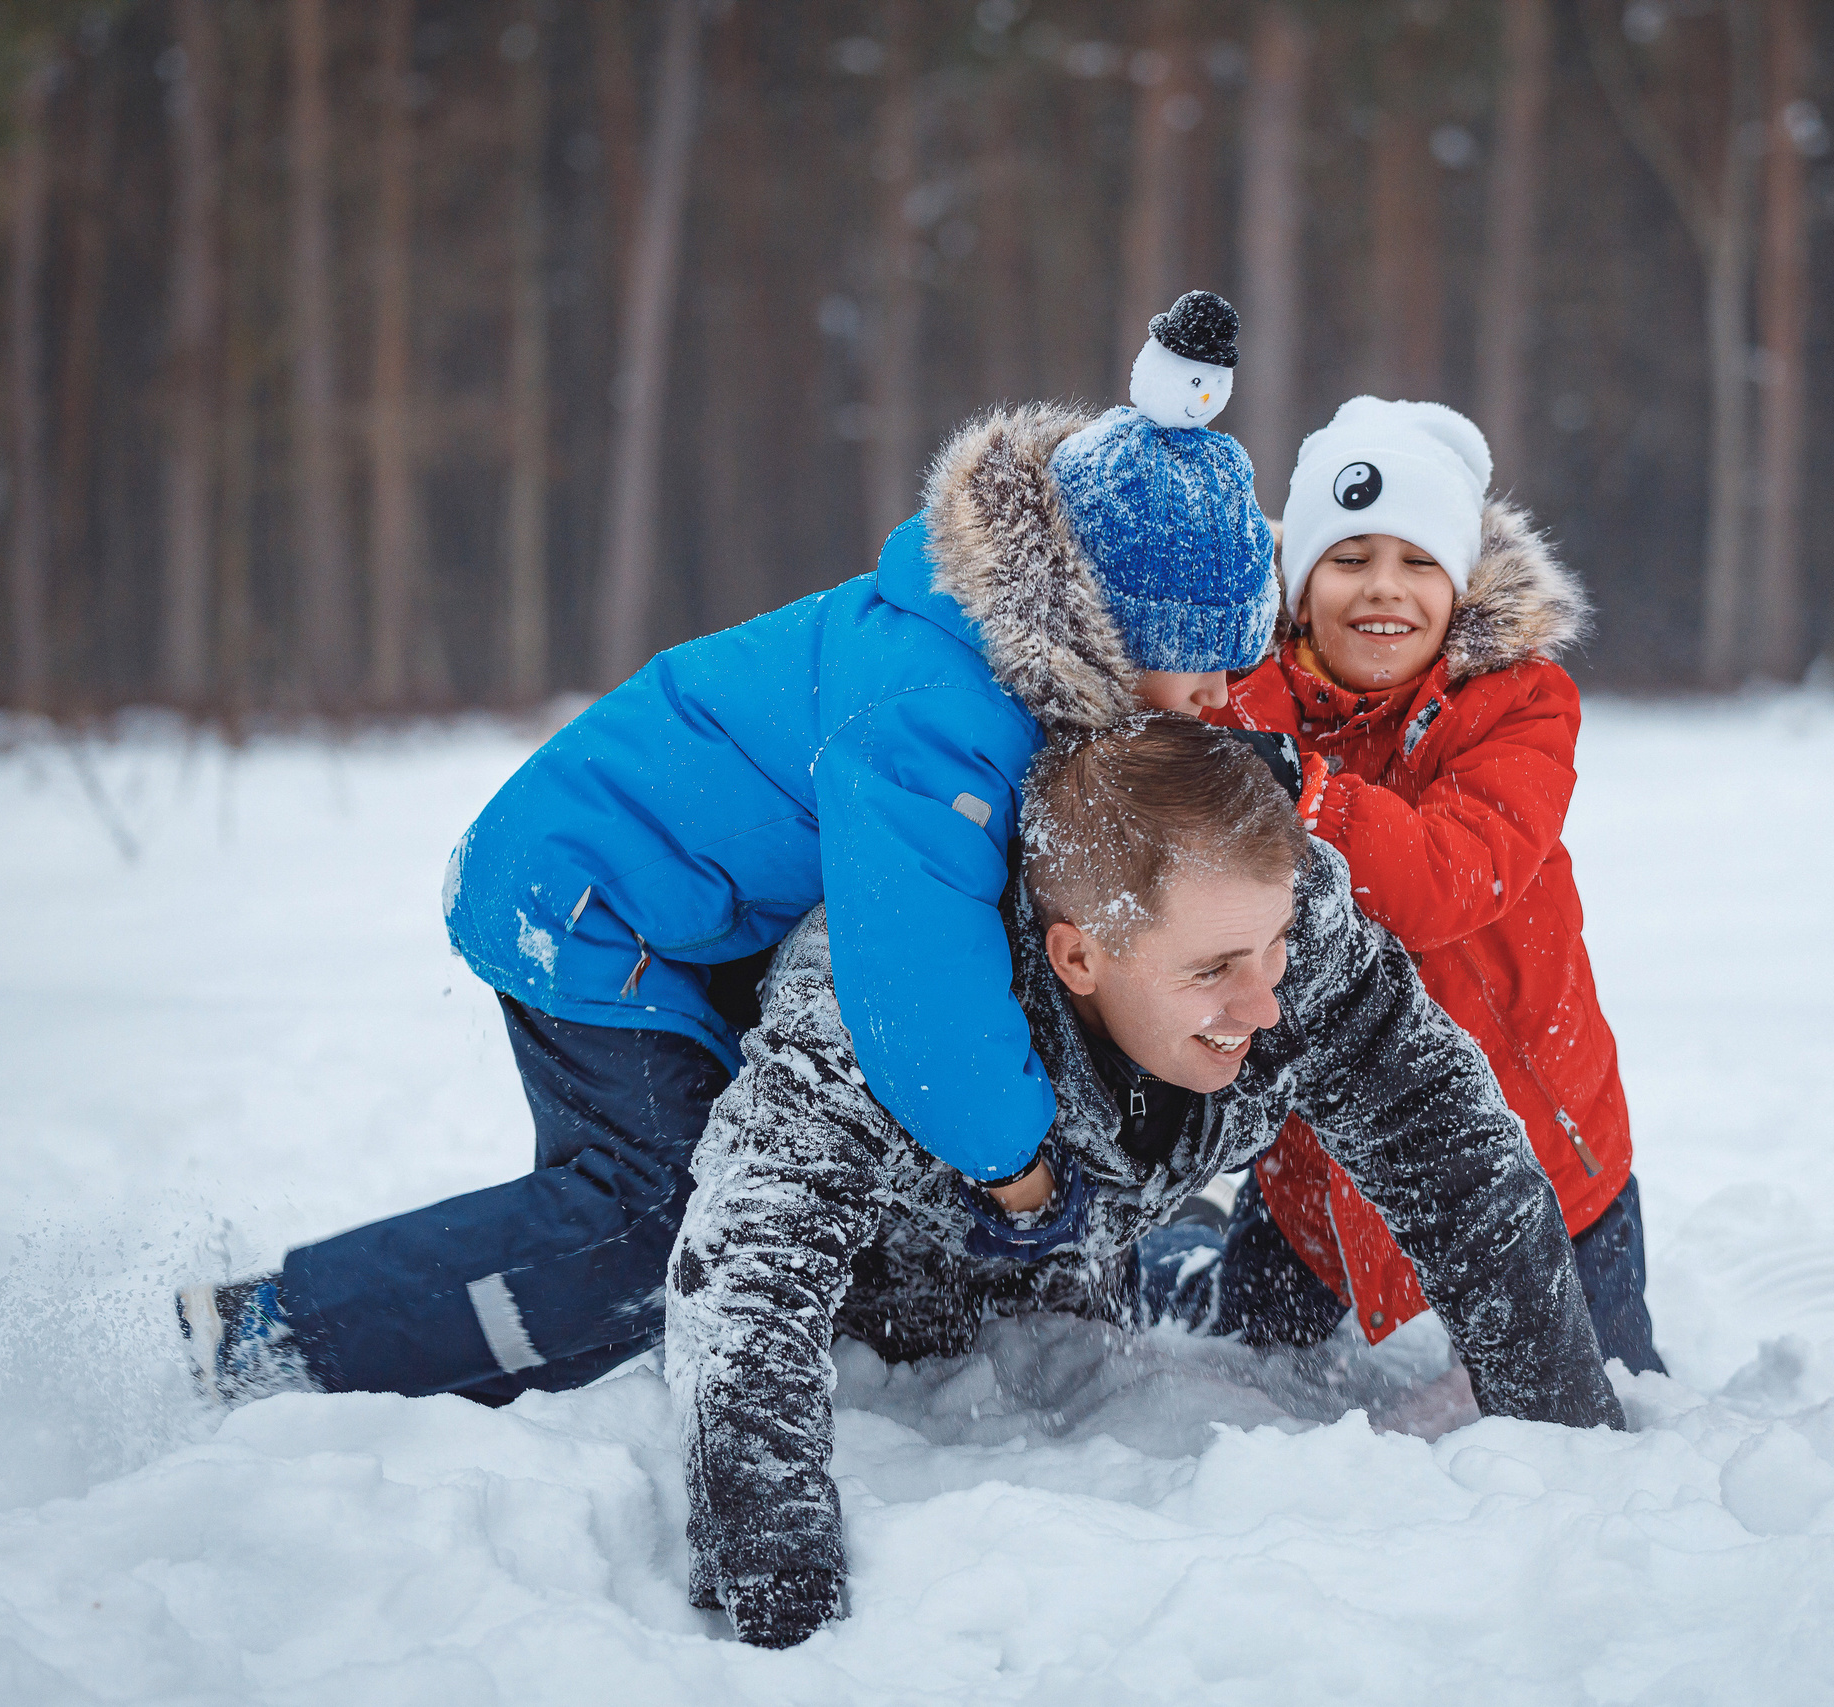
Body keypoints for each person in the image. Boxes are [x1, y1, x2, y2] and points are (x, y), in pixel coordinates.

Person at [177, 294, 1280, 1406]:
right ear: (1103, 623)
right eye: (1193, 657)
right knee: (645, 1213)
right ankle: (275, 1342)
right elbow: (918, 986)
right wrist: (1024, 1176)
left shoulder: (996, 666)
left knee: (643, 1210)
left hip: (675, 905)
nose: (1216, 694)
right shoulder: (940, 717)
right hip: (589, 900)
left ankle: (505, 1327)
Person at [669, 715, 1624, 1649]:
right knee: (936, 1346)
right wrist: (778, 1579)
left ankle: (1172, 1239)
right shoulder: (881, 993)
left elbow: (1460, 1158)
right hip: (889, 1264)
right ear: (1077, 955)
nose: (1264, 1003)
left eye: (1274, 948)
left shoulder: (1285, 929)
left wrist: (1571, 1446)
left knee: (1088, 1324)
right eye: (1212, 970)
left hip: (1097, 1219)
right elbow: (750, 1256)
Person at [1156, 395, 1665, 1376]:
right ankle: (1176, 1249)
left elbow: (1449, 876)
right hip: (1324, 1157)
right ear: (1299, 592)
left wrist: (1302, 795)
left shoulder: (1518, 704)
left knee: (1609, 1408)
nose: (1381, 588)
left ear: (1460, 585)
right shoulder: (1239, 702)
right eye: (1347, 559)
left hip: (1540, 1163)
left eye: (1418, 561)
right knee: (1224, 1343)